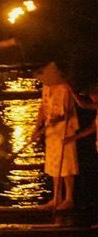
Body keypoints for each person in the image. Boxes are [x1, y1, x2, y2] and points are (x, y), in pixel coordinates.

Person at [37, 63, 83, 211]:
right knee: (53, 163)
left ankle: (69, 198)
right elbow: (43, 107)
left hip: (65, 129)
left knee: (67, 164)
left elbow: (67, 112)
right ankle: (56, 197)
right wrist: (37, 127)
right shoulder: (46, 87)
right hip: (51, 131)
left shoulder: (65, 88)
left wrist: (51, 124)